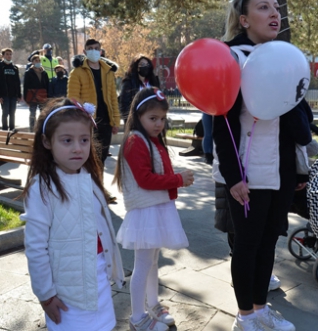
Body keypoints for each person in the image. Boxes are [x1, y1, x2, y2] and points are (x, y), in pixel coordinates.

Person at [214, 0, 312, 331]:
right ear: (244, 19)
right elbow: (221, 123)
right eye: (263, 7)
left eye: (276, 7)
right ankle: (245, 317)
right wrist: (233, 176)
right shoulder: (231, 59)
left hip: (282, 169)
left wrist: (299, 170)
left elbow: (294, 116)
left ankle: (260, 308)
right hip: (247, 171)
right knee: (248, 243)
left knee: (270, 239)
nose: (275, 14)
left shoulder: (283, 56)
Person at [22, 98, 125, 331]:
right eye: (67, 140)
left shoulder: (90, 179)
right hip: (66, 293)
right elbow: (36, 247)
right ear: (47, 142)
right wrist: (46, 295)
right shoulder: (42, 187)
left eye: (84, 140)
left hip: (98, 279)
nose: (78, 148)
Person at [113, 87, 193, 331]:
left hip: (156, 208)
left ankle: (153, 304)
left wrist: (175, 179)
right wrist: (178, 179)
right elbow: (145, 180)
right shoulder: (136, 141)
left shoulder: (152, 140)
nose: (159, 124)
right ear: (138, 117)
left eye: (162, 118)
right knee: (143, 264)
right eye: (153, 119)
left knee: (152, 261)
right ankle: (138, 317)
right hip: (146, 211)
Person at [68, 39, 120, 165]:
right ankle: (88, 183)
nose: (94, 51)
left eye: (96, 48)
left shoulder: (108, 71)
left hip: (106, 121)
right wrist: (84, 111)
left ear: (101, 51)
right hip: (87, 121)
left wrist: (116, 121)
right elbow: (73, 98)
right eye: (90, 48)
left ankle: (98, 183)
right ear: (84, 51)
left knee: (102, 158)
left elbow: (113, 98)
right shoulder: (77, 72)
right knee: (89, 159)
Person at [119, 55, 160, 124]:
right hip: (136, 120)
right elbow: (124, 103)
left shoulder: (153, 82)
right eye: (142, 64)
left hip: (152, 120)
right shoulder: (129, 82)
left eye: (147, 64)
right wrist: (129, 121)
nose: (145, 66)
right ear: (136, 67)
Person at [0, 48, 21, 130]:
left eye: (10, 54)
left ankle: (12, 129)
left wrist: (19, 94)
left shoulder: (15, 68)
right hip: (4, 95)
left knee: (12, 113)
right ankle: (5, 129)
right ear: (3, 56)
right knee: (5, 113)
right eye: (7, 54)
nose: (9, 56)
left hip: (13, 95)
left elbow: (18, 82)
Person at [23, 55, 50, 132]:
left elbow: (47, 85)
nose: (38, 62)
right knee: (32, 113)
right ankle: (32, 129)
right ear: (32, 62)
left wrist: (48, 96)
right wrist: (26, 98)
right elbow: (25, 86)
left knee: (43, 114)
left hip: (43, 96)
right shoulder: (28, 72)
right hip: (32, 96)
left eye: (39, 60)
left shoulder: (44, 73)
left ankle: (42, 129)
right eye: (36, 61)